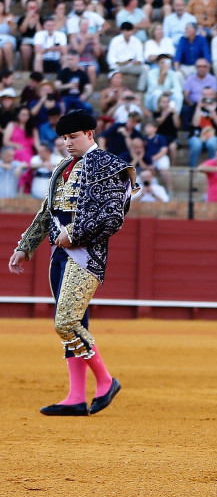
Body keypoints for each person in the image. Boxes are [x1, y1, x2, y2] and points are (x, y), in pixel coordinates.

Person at [8, 110, 136, 416]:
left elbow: (113, 216)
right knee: (76, 323)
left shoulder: (108, 164)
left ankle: (105, 380)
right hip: (59, 254)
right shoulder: (62, 167)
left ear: (90, 134)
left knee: (65, 322)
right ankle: (76, 397)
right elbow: (47, 212)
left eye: (73, 136)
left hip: (86, 254)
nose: (68, 143)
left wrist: (74, 232)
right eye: (64, 138)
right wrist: (26, 246)